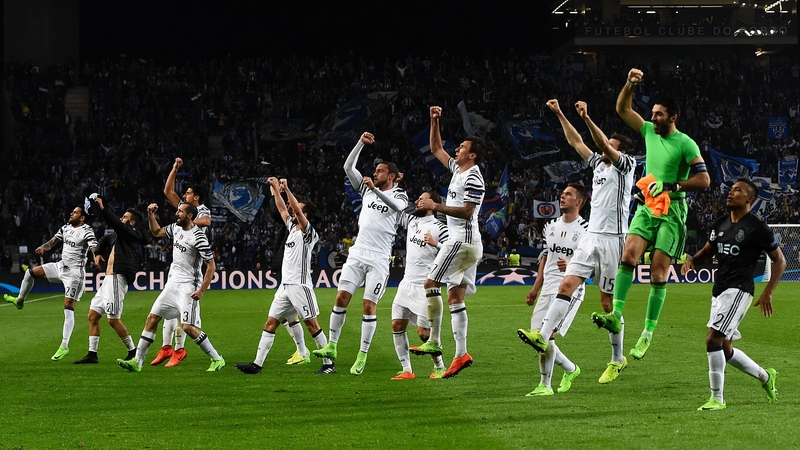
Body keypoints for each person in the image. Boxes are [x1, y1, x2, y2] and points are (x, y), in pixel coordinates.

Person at [592, 68, 710, 360]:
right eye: (653, 113)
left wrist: (671, 184)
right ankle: (616, 315)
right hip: (647, 207)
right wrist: (630, 83)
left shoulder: (686, 143)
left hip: (672, 211)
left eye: (659, 114)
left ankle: (647, 333)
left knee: (658, 273)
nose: (653, 118)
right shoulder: (647, 130)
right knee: (628, 256)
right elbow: (622, 108)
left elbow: (704, 180)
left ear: (673, 117)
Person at [525, 99, 636, 385]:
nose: (603, 149)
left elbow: (599, 141)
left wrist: (587, 118)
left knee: (608, 303)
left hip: (614, 239)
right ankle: (543, 333)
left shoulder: (626, 166)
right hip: (591, 237)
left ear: (620, 151)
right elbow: (576, 142)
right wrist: (561, 114)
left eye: (610, 146)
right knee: (566, 285)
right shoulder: (599, 164)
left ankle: (616, 358)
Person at [681, 179, 784, 410]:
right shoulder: (721, 224)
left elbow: (780, 260)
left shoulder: (757, 227)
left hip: (740, 290)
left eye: (737, 190)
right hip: (719, 290)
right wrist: (693, 261)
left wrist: (768, 292)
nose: (730, 193)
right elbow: (708, 251)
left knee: (712, 339)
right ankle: (766, 377)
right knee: (725, 348)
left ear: (749, 198)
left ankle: (717, 399)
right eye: (731, 189)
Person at [312, 132, 408, 375]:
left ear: (393, 176)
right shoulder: (367, 190)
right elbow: (347, 166)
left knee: (368, 306)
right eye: (375, 171)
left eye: (381, 171)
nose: (376, 172)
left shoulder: (399, 194)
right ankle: (332, 347)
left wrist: (373, 188)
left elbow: (397, 207)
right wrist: (360, 144)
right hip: (358, 252)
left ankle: (362, 355)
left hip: (379, 257)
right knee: (341, 298)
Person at [409, 106, 486, 378]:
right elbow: (435, 148)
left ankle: (435, 340)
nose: (456, 150)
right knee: (455, 297)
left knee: (430, 284)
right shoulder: (458, 170)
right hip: (466, 243)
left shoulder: (474, 176)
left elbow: (468, 211)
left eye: (462, 147)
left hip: (461, 241)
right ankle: (461, 353)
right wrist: (434, 120)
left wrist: (437, 206)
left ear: (472, 154)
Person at [236, 178, 334, 374]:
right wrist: (275, 189)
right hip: (285, 287)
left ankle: (329, 365)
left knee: (312, 325)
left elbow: (295, 210)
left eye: (297, 208)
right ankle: (257, 365)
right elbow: (283, 209)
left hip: (300, 286)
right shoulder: (291, 227)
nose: (292, 209)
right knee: (270, 323)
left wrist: (287, 188)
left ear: (304, 214)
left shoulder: (309, 233)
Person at [117, 202, 224, 372]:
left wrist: (202, 289)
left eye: (180, 211)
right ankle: (137, 362)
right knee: (152, 318)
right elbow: (157, 232)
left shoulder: (198, 236)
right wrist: (151, 215)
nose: (177, 214)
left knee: (188, 327)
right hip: (172, 284)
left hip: (188, 286)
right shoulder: (175, 227)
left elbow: (211, 265)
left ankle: (217, 359)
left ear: (190, 216)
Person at [371, 188, 450, 380]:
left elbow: (452, 253)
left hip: (426, 288)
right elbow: (394, 208)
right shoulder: (412, 221)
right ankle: (407, 370)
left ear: (432, 204)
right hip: (406, 284)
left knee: (423, 334)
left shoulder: (440, 228)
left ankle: (439, 367)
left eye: (422, 199)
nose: (417, 201)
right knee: (397, 324)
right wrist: (378, 190)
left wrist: (436, 244)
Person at [517, 185, 588, 396]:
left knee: (545, 336)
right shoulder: (550, 227)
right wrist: (535, 289)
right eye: (562, 194)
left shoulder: (586, 229)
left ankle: (545, 385)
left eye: (568, 195)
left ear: (579, 202)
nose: (562, 197)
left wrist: (574, 265)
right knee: (539, 339)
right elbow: (546, 258)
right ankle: (570, 369)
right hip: (548, 287)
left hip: (570, 290)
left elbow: (592, 261)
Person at [4, 205, 97, 361]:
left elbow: (94, 247)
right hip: (60, 266)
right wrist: (43, 247)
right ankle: (20, 300)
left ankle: (64, 346)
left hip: (74, 274)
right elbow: (52, 242)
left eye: (75, 212)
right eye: (72, 211)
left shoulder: (87, 230)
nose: (71, 213)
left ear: (82, 218)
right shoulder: (66, 227)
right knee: (30, 272)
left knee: (68, 307)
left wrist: (97, 256)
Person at [151, 157, 212, 368]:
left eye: (187, 193)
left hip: (192, 268)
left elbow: (206, 222)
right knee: (167, 316)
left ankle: (179, 350)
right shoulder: (184, 209)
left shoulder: (201, 210)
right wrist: (174, 169)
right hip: (178, 267)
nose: (183, 195)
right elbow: (168, 191)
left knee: (183, 319)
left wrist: (187, 220)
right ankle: (166, 349)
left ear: (195, 197)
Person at [74, 196, 148, 364]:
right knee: (93, 315)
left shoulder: (132, 234)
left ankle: (133, 352)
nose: (121, 219)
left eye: (125, 217)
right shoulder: (117, 235)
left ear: (132, 223)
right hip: (107, 280)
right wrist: (98, 252)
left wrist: (102, 208)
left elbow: (114, 222)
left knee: (112, 319)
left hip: (117, 278)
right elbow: (104, 240)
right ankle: (92, 354)